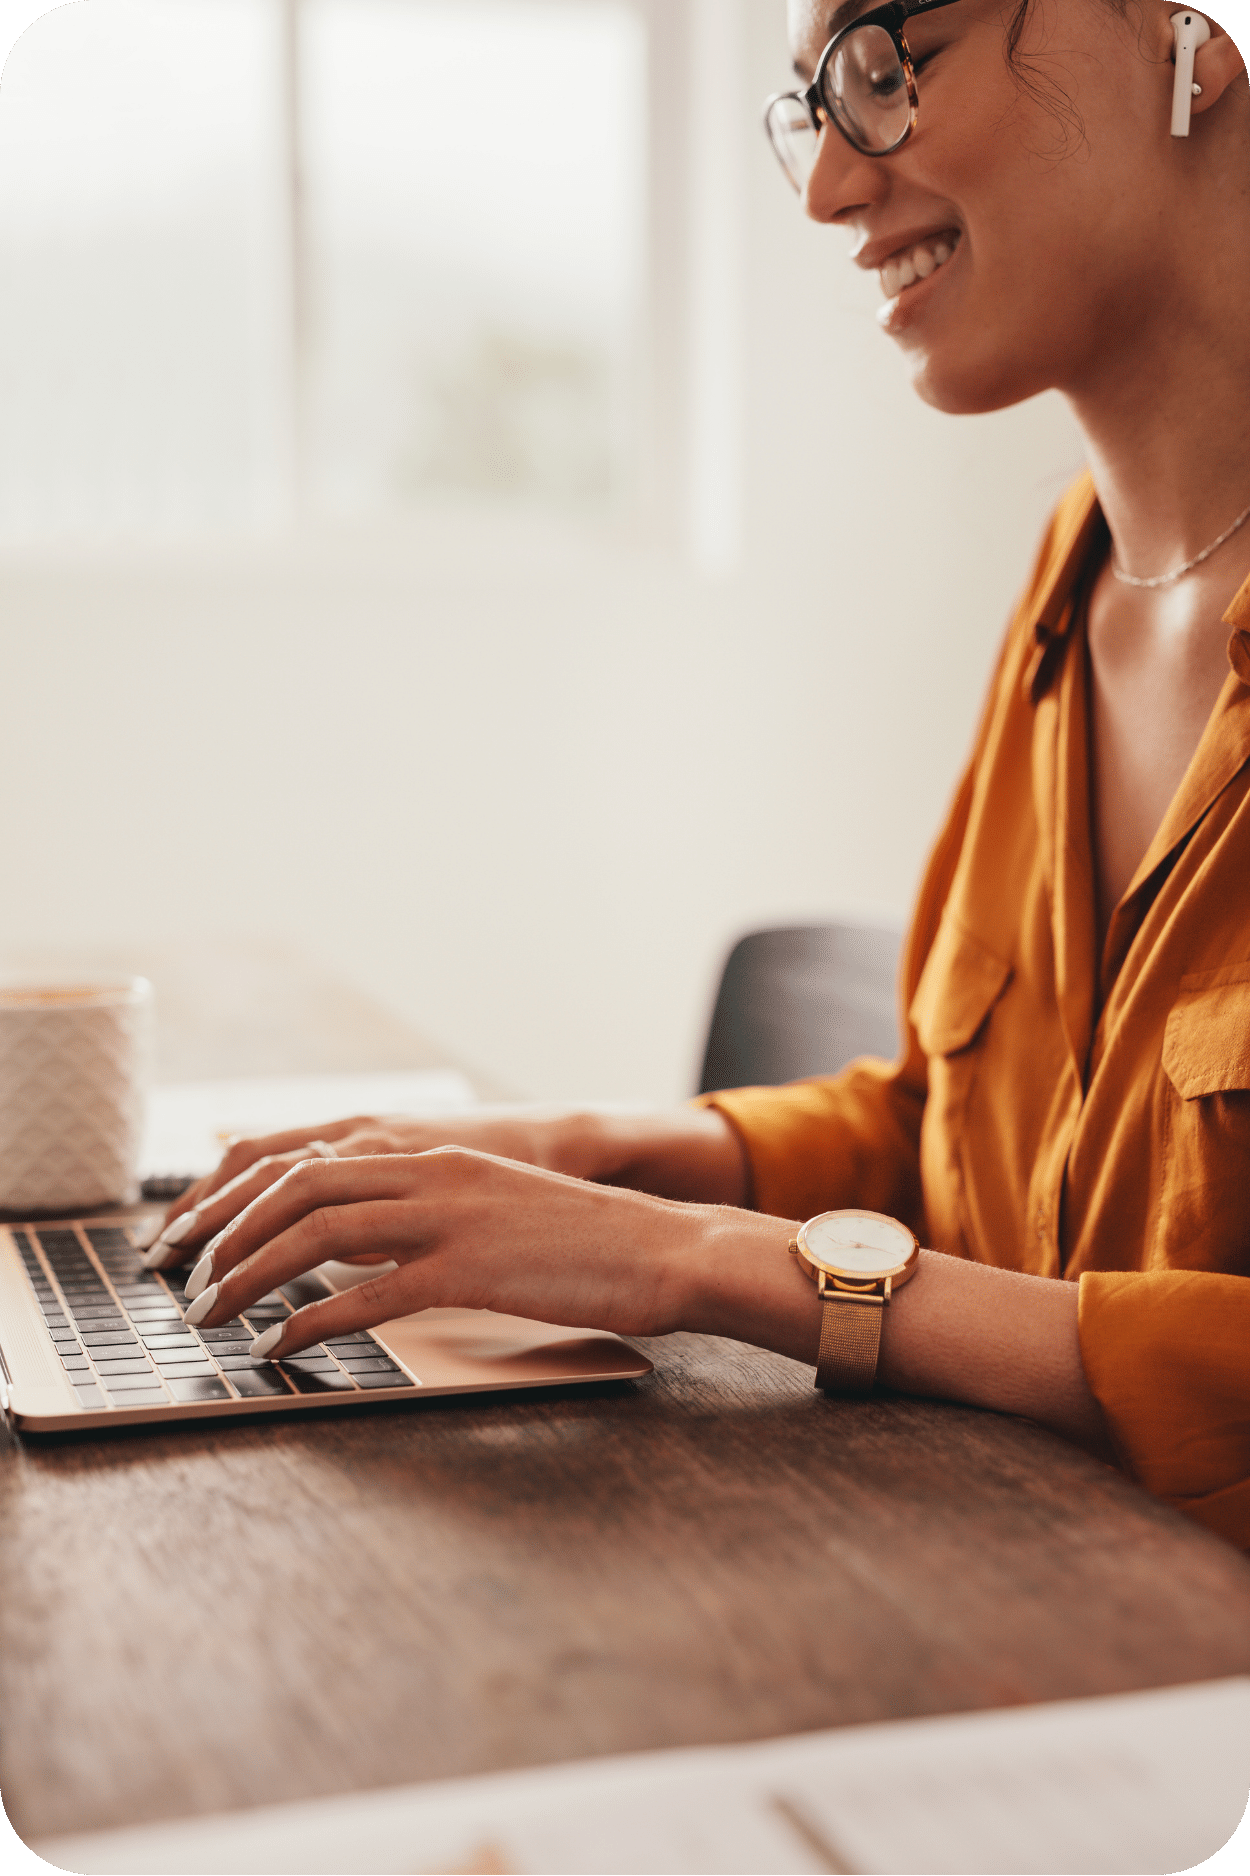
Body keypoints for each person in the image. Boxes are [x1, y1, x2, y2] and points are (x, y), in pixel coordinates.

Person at [146, 0, 1250, 1547]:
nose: (824, 190)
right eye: (813, 105)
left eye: (886, 68)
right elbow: (945, 1138)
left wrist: (703, 1263)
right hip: (990, 1581)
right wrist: (566, 1155)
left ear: (1185, 38)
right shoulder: (1075, 578)